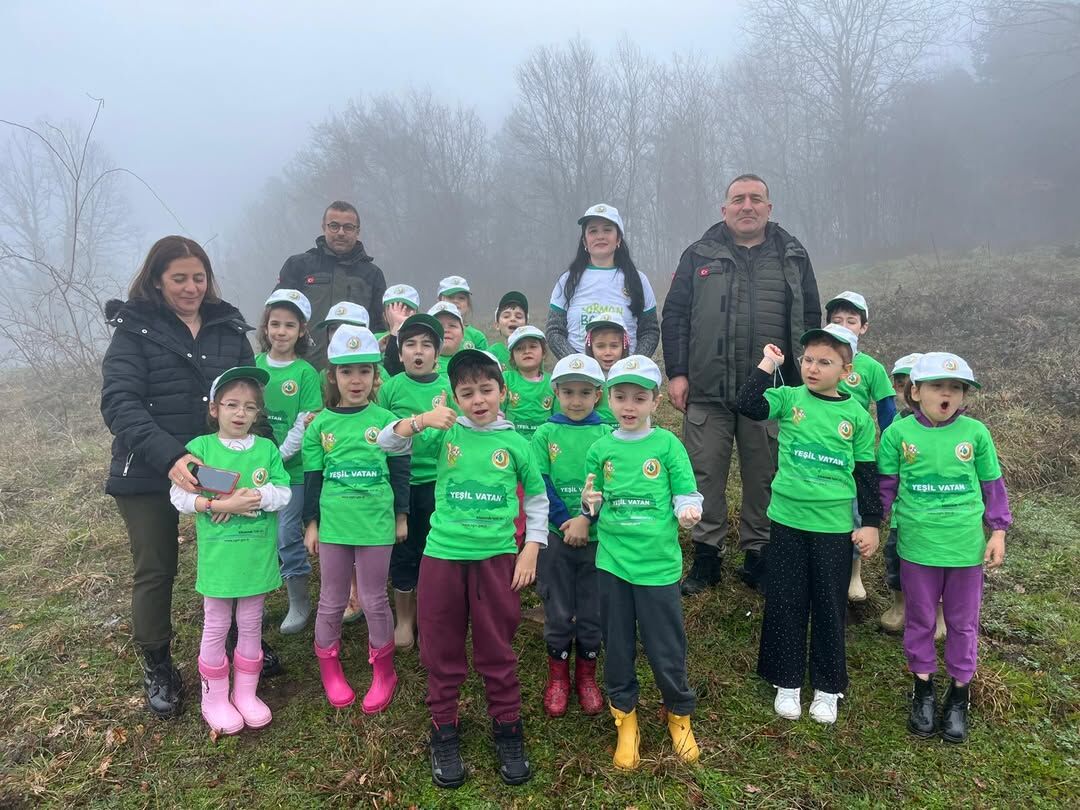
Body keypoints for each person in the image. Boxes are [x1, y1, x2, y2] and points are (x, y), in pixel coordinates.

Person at [101, 235, 270, 719]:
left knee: (235, 549)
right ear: (157, 279)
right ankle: (158, 664)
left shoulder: (227, 328)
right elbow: (119, 402)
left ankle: (239, 641)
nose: (191, 287)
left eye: (199, 277)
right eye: (179, 278)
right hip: (149, 469)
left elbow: (250, 397)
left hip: (219, 468)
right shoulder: (134, 330)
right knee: (156, 566)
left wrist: (261, 457)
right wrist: (169, 456)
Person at [380, 349, 548, 789]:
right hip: (443, 557)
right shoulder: (444, 433)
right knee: (441, 645)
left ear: (503, 392)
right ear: (454, 398)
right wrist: (421, 421)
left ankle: (507, 725)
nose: (478, 400)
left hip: (497, 559)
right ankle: (444, 727)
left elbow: (536, 498)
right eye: (467, 392)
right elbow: (385, 442)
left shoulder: (517, 443)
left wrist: (532, 547)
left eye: (486, 390)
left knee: (497, 645)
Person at [662, 173, 822, 596]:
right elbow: (674, 316)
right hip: (707, 389)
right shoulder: (698, 254)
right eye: (738, 199)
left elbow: (810, 318)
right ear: (724, 209)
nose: (746, 206)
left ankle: (758, 554)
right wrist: (677, 372)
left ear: (769, 207)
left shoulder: (793, 255)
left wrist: (804, 379)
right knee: (703, 474)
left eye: (755, 199)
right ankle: (707, 556)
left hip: (769, 394)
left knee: (765, 474)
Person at [735, 325, 881, 725]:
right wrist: (768, 364)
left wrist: (871, 523)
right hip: (787, 521)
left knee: (829, 604)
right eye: (808, 360)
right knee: (786, 598)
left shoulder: (857, 417)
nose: (813, 368)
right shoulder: (789, 398)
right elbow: (748, 404)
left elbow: (867, 473)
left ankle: (828, 687)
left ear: (846, 371)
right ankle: (786, 681)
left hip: (833, 527)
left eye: (825, 362)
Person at [878, 353, 1011, 743]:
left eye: (955, 387)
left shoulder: (976, 434)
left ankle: (958, 694)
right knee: (920, 620)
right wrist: (869, 524)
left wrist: (998, 531)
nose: (946, 394)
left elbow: (992, 485)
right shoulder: (898, 435)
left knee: (962, 623)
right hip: (917, 546)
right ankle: (922, 689)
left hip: (965, 550)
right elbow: (885, 487)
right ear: (915, 392)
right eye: (937, 386)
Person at [583, 356, 704, 769]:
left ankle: (679, 715)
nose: (629, 406)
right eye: (620, 397)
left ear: (656, 401)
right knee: (617, 645)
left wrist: (687, 510)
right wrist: (589, 504)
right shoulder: (600, 449)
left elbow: (686, 491)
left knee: (665, 645)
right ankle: (626, 718)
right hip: (613, 564)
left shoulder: (667, 445)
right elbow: (592, 500)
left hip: (657, 566)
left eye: (639, 398)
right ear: (608, 399)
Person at [303, 326, 423, 713]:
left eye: (364, 371)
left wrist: (401, 516)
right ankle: (330, 668)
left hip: (376, 523)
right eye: (346, 371)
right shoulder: (320, 425)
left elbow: (401, 472)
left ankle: (384, 671)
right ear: (332, 376)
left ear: (376, 376)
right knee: (331, 599)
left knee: (373, 599)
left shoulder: (388, 421)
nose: (356, 380)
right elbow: (313, 479)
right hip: (335, 525)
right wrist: (311, 523)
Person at [169, 367, 291, 734]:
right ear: (214, 409)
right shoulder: (201, 449)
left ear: (258, 413)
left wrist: (251, 497)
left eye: (250, 407)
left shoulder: (266, 449)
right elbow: (179, 496)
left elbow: (283, 492)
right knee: (217, 624)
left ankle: (246, 693)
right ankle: (215, 698)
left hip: (256, 556)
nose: (240, 413)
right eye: (232, 405)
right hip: (219, 559)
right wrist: (217, 505)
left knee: (252, 622)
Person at [531, 354, 612, 718]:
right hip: (556, 536)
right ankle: (558, 676)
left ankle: (587, 676)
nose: (576, 400)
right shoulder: (545, 434)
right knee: (558, 607)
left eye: (584, 392)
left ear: (598, 395)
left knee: (593, 608)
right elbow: (540, 482)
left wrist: (587, 519)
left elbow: (611, 483)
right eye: (568, 392)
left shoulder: (608, 435)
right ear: (556, 394)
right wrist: (565, 520)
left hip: (597, 539)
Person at [377, 313, 459, 649]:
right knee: (403, 549)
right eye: (410, 344)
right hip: (401, 483)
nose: (418, 351)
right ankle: (404, 619)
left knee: (434, 549)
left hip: (439, 484)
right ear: (400, 354)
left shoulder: (449, 387)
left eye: (427, 345)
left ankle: (430, 616)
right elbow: (380, 435)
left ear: (437, 354)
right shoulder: (391, 388)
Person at [255, 290, 323, 634]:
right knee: (259, 534)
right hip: (254, 472)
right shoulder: (254, 366)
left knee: (286, 533)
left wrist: (277, 457)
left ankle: (299, 600)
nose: (281, 331)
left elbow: (304, 422)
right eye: (275, 324)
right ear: (266, 327)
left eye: (289, 325)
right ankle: (255, 598)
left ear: (301, 330)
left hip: (292, 471)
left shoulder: (305, 373)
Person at [825, 291, 897, 604]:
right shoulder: (817, 360)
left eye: (851, 321)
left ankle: (854, 572)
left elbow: (888, 415)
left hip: (855, 452)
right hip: (819, 448)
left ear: (863, 327)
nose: (844, 326)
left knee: (854, 511)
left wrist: (891, 454)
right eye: (837, 320)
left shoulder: (871, 368)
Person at [879, 352, 944, 639]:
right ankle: (900, 606)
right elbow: (888, 473)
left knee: (940, 564)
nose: (906, 388)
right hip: (903, 514)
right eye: (900, 381)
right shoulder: (896, 426)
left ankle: (939, 615)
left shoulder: (953, 426)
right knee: (896, 560)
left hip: (941, 516)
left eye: (913, 381)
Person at [276, 201, 388, 361]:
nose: (341, 233)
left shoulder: (373, 274)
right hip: (304, 366)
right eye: (334, 226)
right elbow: (276, 315)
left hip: (353, 368)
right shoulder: (298, 266)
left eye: (348, 227)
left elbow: (380, 327)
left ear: (357, 231)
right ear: (324, 227)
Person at [547, 203, 659, 360]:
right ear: (584, 241)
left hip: (626, 373)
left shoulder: (638, 280)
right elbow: (554, 331)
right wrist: (578, 365)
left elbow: (649, 331)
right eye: (593, 231)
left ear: (618, 238)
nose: (600, 236)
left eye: (607, 230)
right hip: (578, 373)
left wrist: (632, 366)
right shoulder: (567, 281)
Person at [503, 326, 557, 437]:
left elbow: (557, 417)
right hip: (512, 438)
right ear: (512, 357)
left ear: (543, 353)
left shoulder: (552, 382)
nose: (527, 351)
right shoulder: (506, 379)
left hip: (543, 439)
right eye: (519, 348)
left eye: (533, 346)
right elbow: (497, 412)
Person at [583, 312, 630, 427]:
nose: (607, 352)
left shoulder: (632, 375)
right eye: (600, 346)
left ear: (624, 346)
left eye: (614, 346)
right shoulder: (584, 376)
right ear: (591, 347)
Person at [437, 275, 489, 350]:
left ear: (468, 304)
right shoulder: (431, 331)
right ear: (439, 301)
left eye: (461, 298)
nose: (456, 301)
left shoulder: (477, 337)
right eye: (450, 297)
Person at [489, 291, 529, 368]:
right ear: (497, 325)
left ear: (526, 325)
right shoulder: (493, 352)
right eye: (506, 316)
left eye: (518, 317)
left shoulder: (532, 352)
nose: (513, 319)